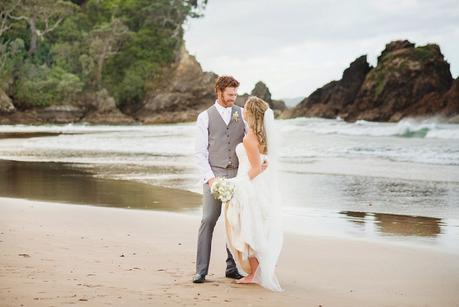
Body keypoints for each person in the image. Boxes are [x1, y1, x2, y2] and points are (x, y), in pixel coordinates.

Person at [193, 76, 268, 283]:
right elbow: (199, 153)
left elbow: (253, 140)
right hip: (214, 175)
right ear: (219, 91)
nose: (233, 98)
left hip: (238, 176)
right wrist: (211, 180)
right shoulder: (204, 117)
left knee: (235, 222)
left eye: (235, 94)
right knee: (208, 219)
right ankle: (201, 270)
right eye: (229, 94)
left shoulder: (241, 114)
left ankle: (231, 267)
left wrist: (262, 160)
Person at [223, 96, 283, 292]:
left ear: (251, 113)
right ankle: (261, 270)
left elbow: (256, 167)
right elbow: (263, 163)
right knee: (254, 226)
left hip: (248, 185)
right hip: (257, 185)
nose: (242, 111)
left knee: (247, 227)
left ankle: (254, 273)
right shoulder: (261, 136)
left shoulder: (250, 138)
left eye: (246, 109)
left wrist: (234, 184)